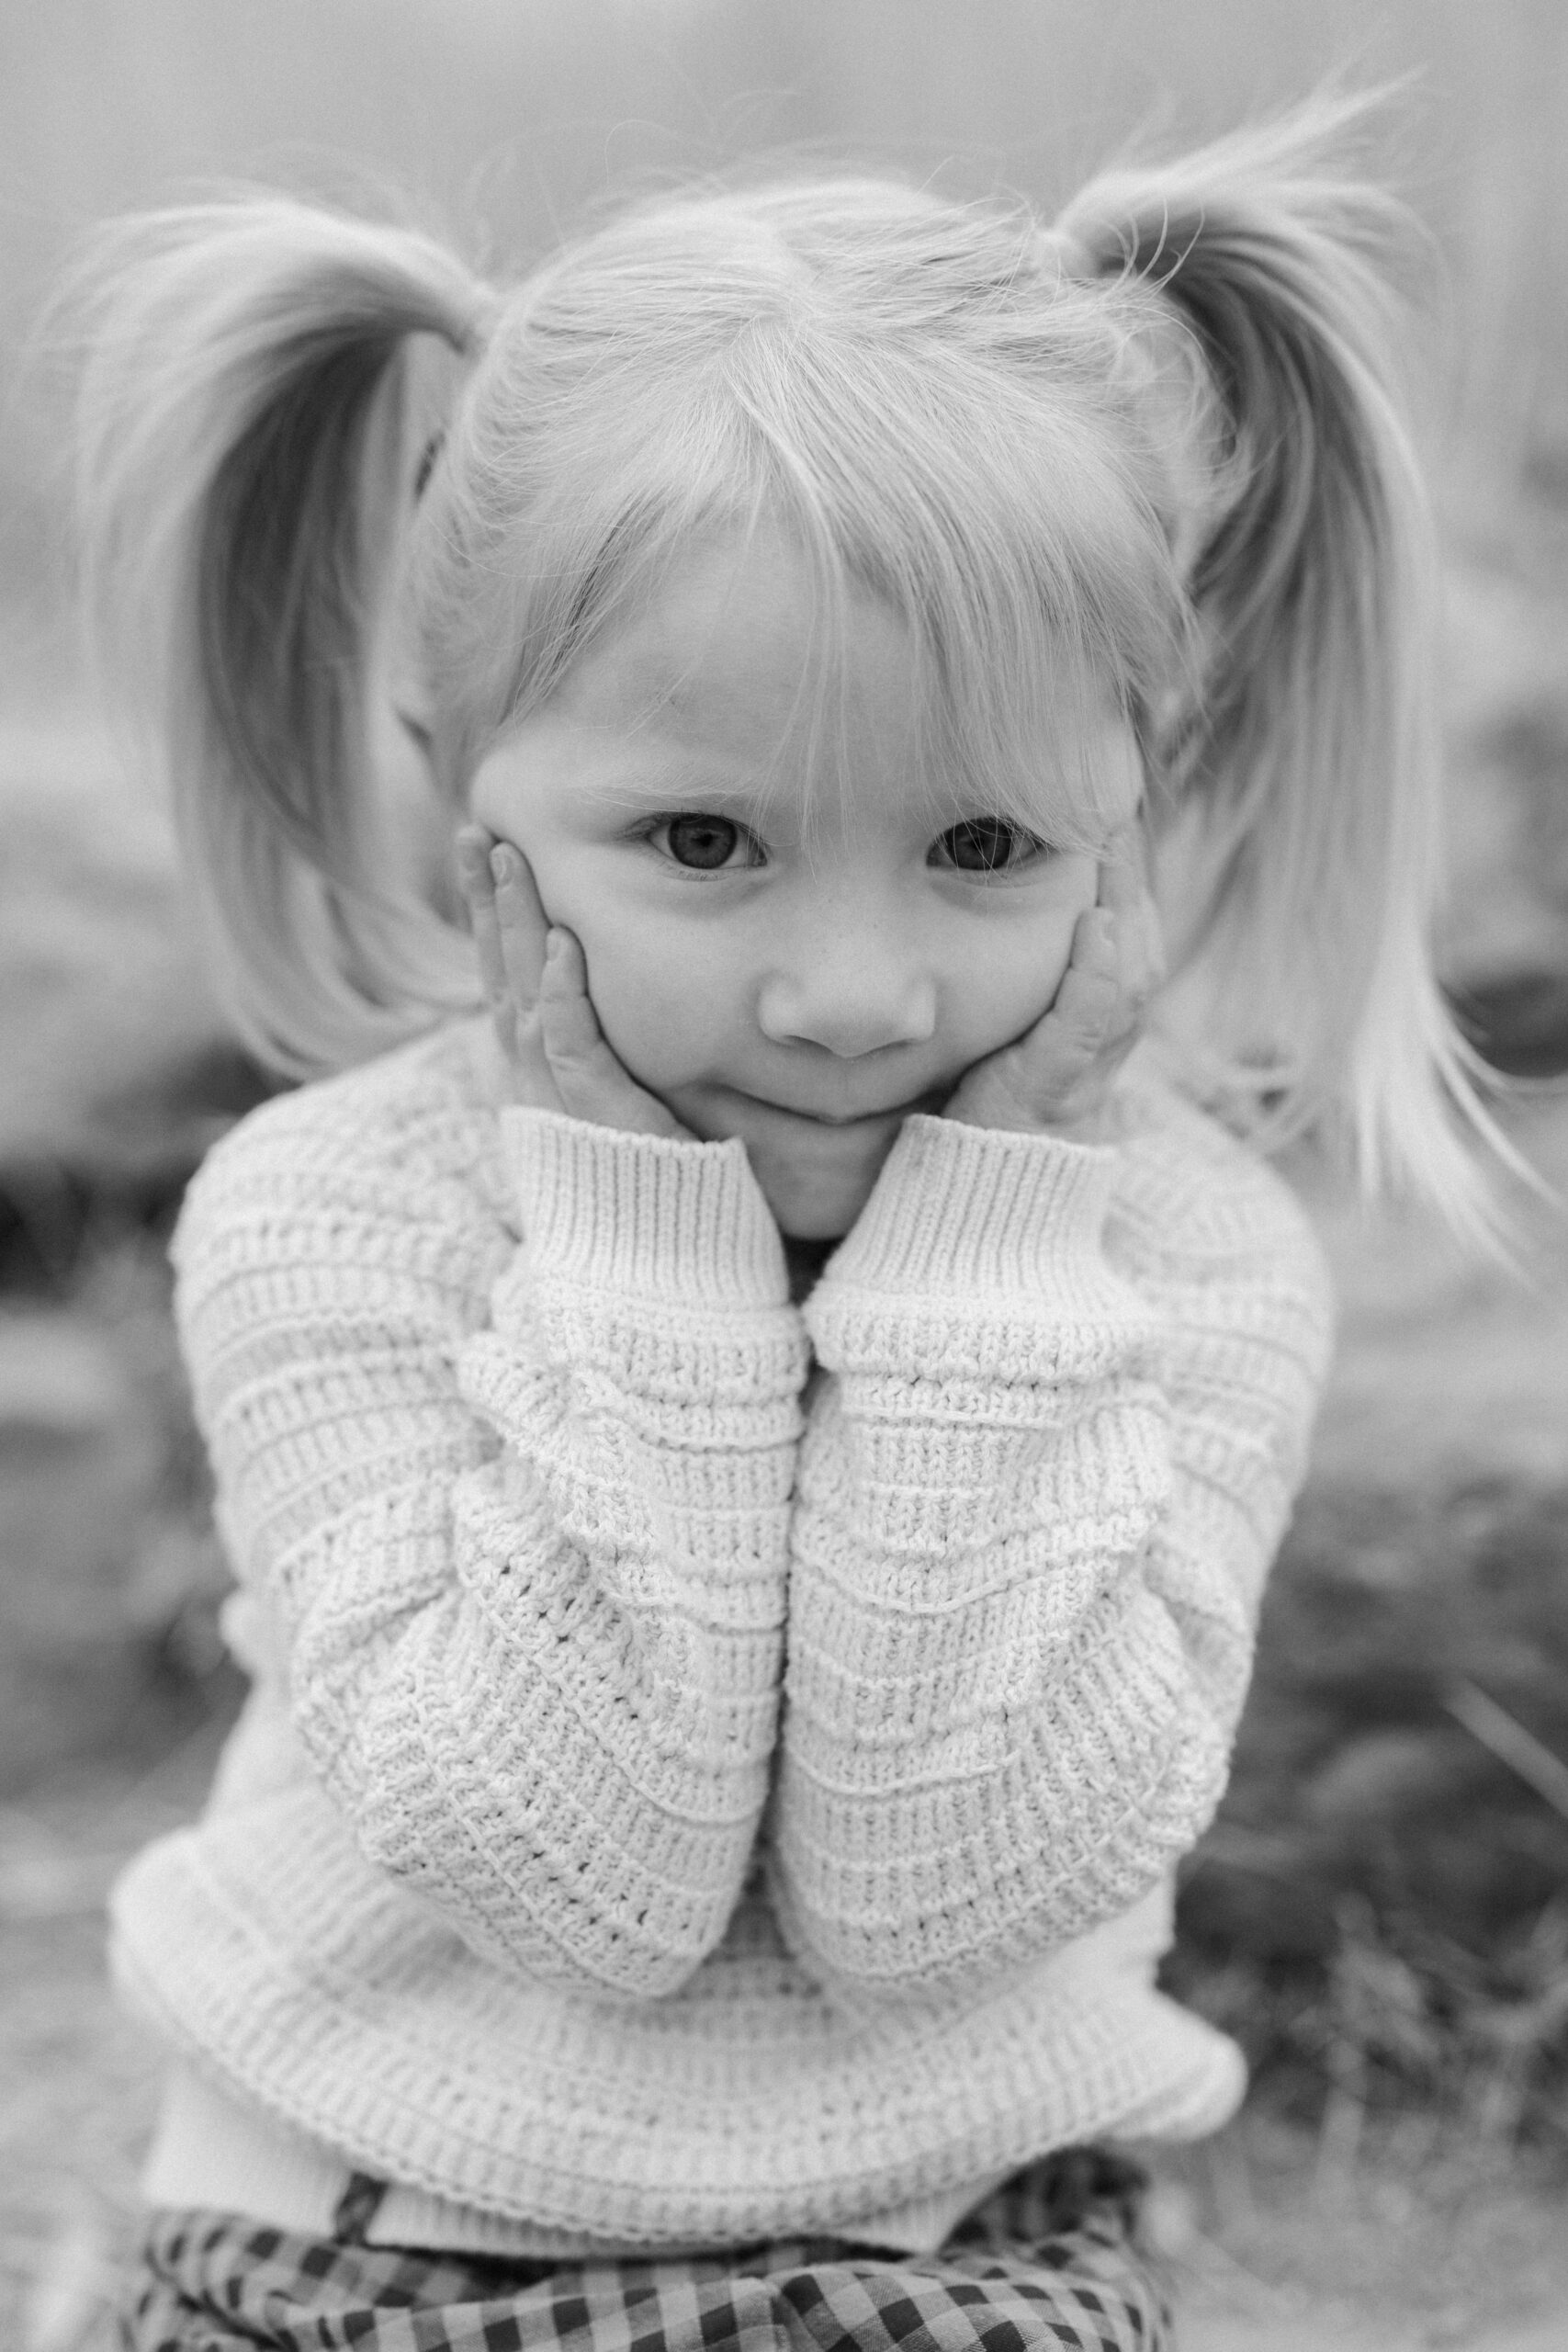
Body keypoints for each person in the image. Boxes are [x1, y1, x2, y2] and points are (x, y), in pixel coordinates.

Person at [72, 89, 1501, 2351]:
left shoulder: (1181, 1260)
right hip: (354, 2245)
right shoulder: (340, 1218)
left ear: (1132, 806)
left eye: (981, 848)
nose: (852, 995)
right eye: (704, 843)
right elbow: (579, 1880)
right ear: (460, 787)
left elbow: (938, 1900)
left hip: (951, 2256)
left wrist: (990, 1256)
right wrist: (636, 1249)